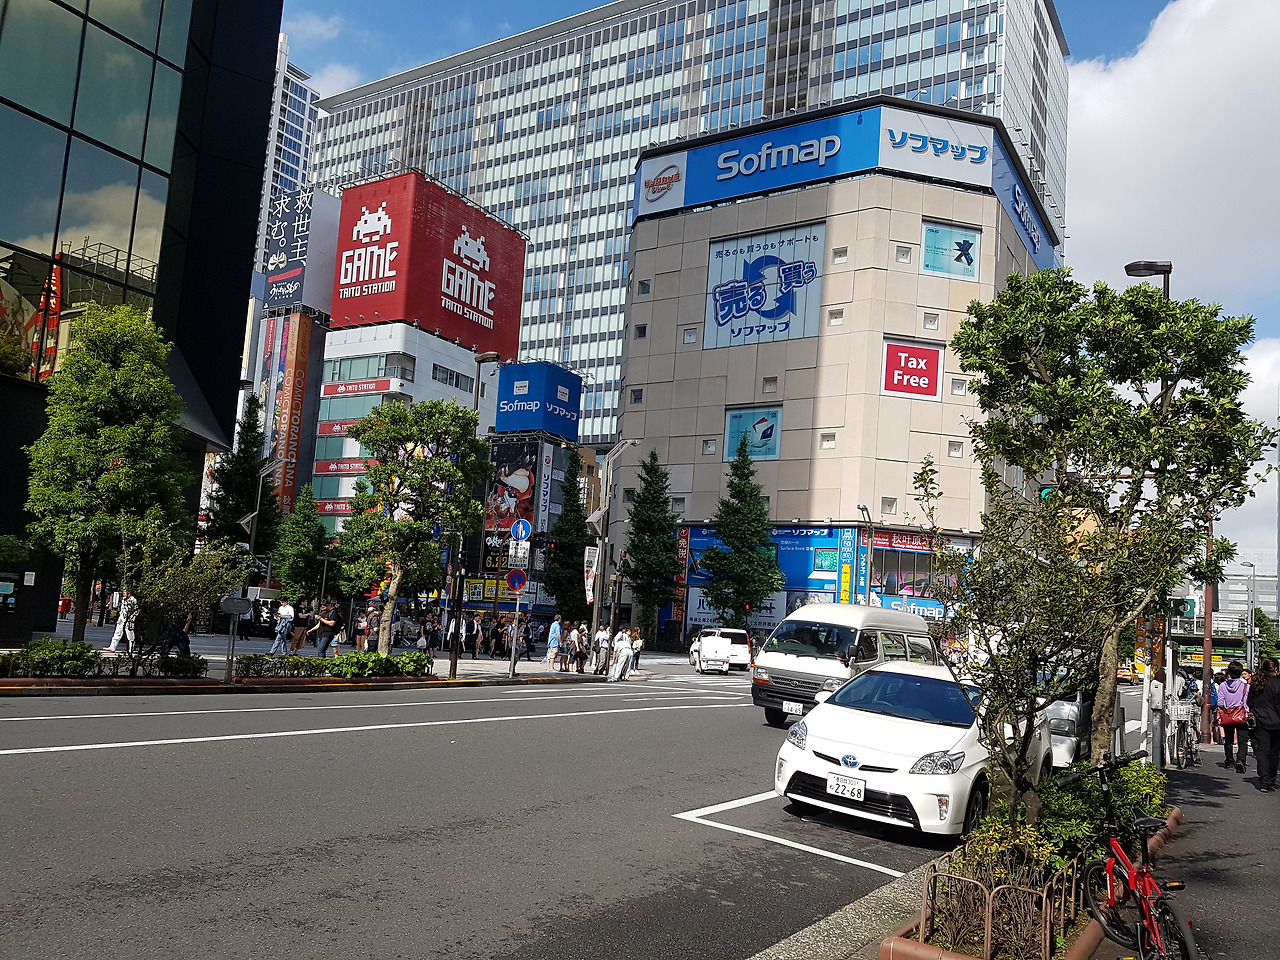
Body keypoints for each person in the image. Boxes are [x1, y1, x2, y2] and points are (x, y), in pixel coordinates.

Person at [1249, 658, 1280, 792]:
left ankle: (1264, 781)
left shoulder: (1256, 683)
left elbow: (1250, 702)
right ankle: (1271, 779)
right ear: (1276, 669)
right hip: (1277, 721)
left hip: (1260, 720)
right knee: (1274, 752)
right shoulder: (1277, 684)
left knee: (1262, 751)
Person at [1218, 660, 1251, 773]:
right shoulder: (1245, 686)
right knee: (1243, 740)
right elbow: (1247, 703)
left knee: (1228, 739)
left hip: (1227, 715)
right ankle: (1241, 760)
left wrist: (1227, 708)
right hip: (1242, 715)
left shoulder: (1223, 686)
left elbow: (1220, 703)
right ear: (1240, 672)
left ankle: (1229, 761)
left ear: (1229, 672)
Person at [104, 588, 139, 654]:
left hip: (129, 619)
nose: (123, 593)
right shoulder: (123, 599)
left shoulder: (133, 600)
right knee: (117, 632)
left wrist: (133, 615)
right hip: (122, 618)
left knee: (129, 633)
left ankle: (131, 648)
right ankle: (113, 646)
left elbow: (136, 609)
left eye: (125, 592)